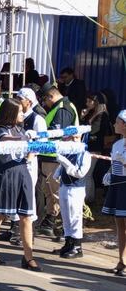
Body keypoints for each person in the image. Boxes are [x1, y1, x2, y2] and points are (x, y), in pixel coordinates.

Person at [0, 98, 42, 271]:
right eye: (20, 112)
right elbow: (6, 139)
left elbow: (29, 148)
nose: (23, 114)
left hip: (22, 173)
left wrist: (31, 148)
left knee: (26, 216)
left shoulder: (20, 129)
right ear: (11, 113)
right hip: (6, 175)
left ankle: (28, 257)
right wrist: (24, 138)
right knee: (0, 214)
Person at [37, 87, 78, 237]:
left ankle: (58, 223)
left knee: (55, 192)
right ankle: (53, 223)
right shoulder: (60, 107)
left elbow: (57, 134)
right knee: (48, 191)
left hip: (57, 156)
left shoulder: (62, 109)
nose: (45, 104)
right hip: (50, 156)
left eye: (45, 100)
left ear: (50, 96)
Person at [55, 134, 91, 259]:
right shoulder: (67, 151)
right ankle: (68, 242)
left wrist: (65, 163)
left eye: (76, 138)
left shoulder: (84, 154)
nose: (73, 140)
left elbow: (80, 173)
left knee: (75, 217)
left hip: (76, 188)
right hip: (64, 186)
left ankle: (77, 246)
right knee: (66, 216)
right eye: (70, 138)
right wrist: (58, 172)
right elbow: (61, 167)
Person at [102, 110, 126, 276]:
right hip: (118, 185)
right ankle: (121, 260)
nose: (114, 124)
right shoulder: (117, 144)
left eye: (117, 121)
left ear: (124, 124)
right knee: (120, 224)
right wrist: (110, 173)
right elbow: (114, 163)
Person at [81, 92, 112, 201]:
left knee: (87, 173)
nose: (87, 103)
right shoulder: (92, 113)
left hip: (95, 148)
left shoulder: (101, 115)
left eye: (89, 101)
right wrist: (84, 117)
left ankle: (88, 198)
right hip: (88, 146)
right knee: (87, 173)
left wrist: (87, 119)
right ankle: (88, 198)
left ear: (96, 102)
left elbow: (93, 130)